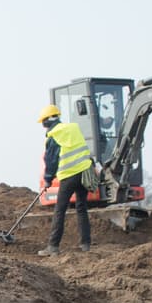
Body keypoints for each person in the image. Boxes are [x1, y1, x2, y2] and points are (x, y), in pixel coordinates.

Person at [35, 104, 93, 256]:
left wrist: (48, 179)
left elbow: (51, 160)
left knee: (60, 209)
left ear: (47, 121)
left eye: (43, 122)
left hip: (69, 175)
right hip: (84, 171)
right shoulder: (73, 128)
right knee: (81, 208)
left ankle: (53, 246)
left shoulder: (54, 135)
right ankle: (85, 244)